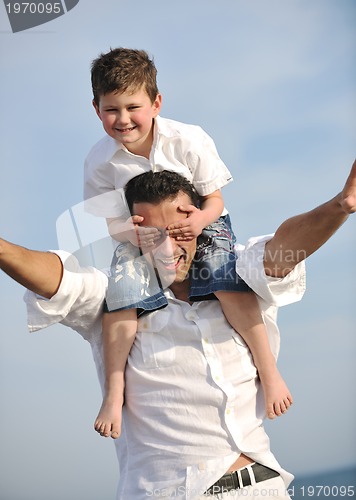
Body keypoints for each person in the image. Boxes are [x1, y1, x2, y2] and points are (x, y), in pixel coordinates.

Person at [1, 164, 355, 499]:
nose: (169, 249)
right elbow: (59, 279)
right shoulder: (118, 299)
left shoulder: (237, 278)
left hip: (262, 487)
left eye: (178, 232)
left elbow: (282, 252)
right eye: (154, 236)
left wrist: (342, 205)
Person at [84, 47, 292, 440]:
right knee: (121, 298)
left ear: (156, 103)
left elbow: (215, 200)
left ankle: (270, 370)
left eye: (133, 107)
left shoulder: (188, 139)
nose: (123, 120)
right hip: (140, 236)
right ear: (96, 109)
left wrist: (197, 221)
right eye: (112, 110)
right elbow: (110, 222)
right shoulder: (99, 162)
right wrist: (133, 236)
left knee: (222, 279)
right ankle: (113, 393)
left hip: (200, 224)